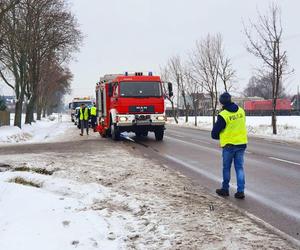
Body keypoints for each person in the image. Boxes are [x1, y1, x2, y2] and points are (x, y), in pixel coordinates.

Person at [211, 92, 248, 199]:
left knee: (226, 168)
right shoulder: (241, 111)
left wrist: (220, 136)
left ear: (221, 102)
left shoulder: (223, 115)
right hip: (241, 144)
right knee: (239, 168)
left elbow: (214, 133)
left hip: (229, 146)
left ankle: (225, 189)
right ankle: (240, 191)